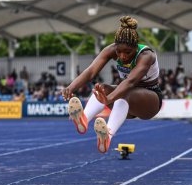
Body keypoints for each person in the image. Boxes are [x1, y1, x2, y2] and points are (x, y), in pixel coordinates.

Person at [62, 16, 162, 153]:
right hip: (126, 103)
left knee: (123, 92)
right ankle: (84, 120)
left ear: (136, 46)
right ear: (115, 47)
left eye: (127, 52)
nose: (122, 56)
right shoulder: (111, 50)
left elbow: (130, 82)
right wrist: (71, 87)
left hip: (149, 102)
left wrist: (109, 99)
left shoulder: (146, 55)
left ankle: (107, 135)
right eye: (119, 52)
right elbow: (91, 71)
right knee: (101, 88)